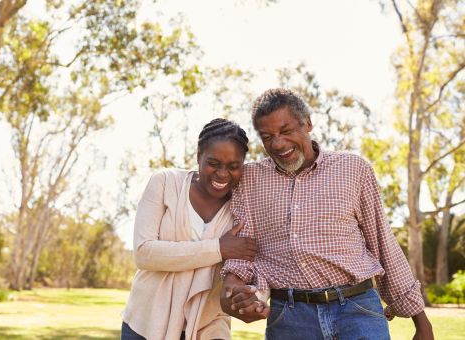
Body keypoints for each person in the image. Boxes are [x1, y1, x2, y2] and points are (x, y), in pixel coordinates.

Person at [219, 88, 434, 340]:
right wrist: (232, 291)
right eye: (267, 136)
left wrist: (422, 323)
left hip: (358, 311)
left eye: (286, 131)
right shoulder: (250, 180)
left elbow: (382, 242)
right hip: (289, 318)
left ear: (307, 123)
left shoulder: (354, 169)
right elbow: (243, 251)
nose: (277, 144)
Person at [121, 118, 258, 340]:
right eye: (213, 163)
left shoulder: (243, 207)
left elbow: (246, 262)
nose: (223, 174)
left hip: (208, 325)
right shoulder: (165, 183)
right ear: (198, 157)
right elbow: (144, 254)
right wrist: (218, 249)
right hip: (145, 323)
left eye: (233, 166)